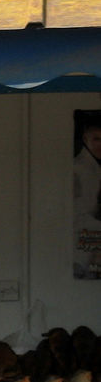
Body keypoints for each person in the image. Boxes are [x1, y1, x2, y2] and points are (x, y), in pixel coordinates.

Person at [73, 117, 101, 278]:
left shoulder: (95, 167)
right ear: (85, 139)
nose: (100, 144)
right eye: (96, 139)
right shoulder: (78, 168)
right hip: (79, 244)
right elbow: (76, 213)